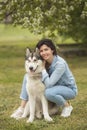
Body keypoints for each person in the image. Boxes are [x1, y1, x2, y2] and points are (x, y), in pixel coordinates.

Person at [11, 39, 78, 119]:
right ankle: (22, 108)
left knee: (48, 93)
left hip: (68, 89)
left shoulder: (60, 64)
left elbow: (49, 84)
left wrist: (43, 69)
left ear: (52, 50)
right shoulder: (44, 61)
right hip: (55, 87)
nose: (44, 53)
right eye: (41, 51)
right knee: (27, 77)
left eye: (46, 49)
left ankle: (67, 106)